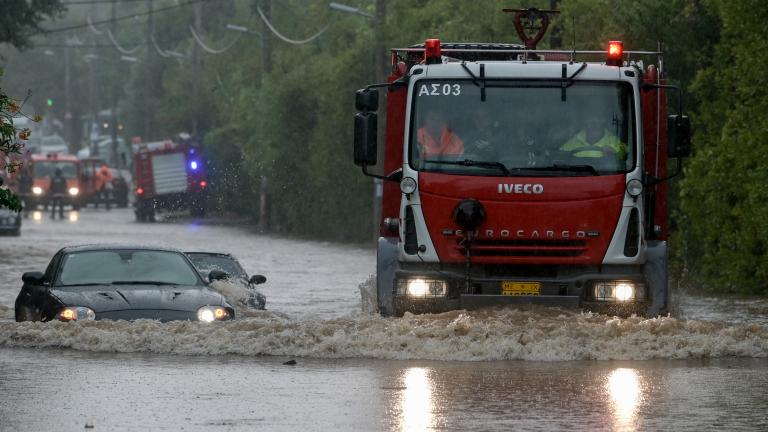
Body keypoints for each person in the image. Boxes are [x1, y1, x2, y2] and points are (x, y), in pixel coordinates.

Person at [560, 114, 628, 168]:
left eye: (599, 117)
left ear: (604, 120)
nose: (595, 122)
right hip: (575, 179)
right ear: (585, 121)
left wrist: (615, 155)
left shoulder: (615, 141)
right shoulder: (573, 142)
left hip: (606, 179)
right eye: (591, 117)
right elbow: (558, 158)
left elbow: (628, 158)